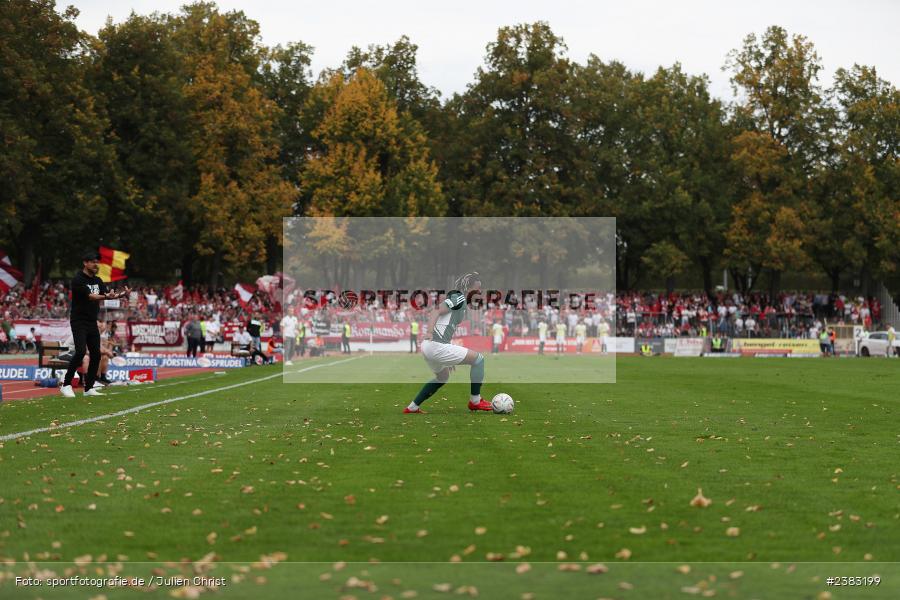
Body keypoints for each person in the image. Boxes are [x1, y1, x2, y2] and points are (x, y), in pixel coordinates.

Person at [405, 272, 491, 414]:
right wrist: (429, 332)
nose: (479, 292)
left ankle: (412, 407)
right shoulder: (459, 298)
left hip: (429, 346)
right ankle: (475, 401)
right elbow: (435, 311)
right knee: (479, 360)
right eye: (477, 288)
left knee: (442, 377)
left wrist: (448, 357)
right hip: (435, 344)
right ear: (468, 288)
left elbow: (445, 326)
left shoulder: (461, 302)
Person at [61, 250, 130, 398]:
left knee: (96, 354)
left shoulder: (98, 280)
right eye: (92, 262)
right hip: (79, 320)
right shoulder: (78, 279)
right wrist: (106, 296)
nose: (95, 264)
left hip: (92, 321)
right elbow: (91, 296)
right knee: (80, 352)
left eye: (97, 262)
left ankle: (89, 388)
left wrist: (121, 295)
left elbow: (107, 295)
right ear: (85, 263)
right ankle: (66, 384)